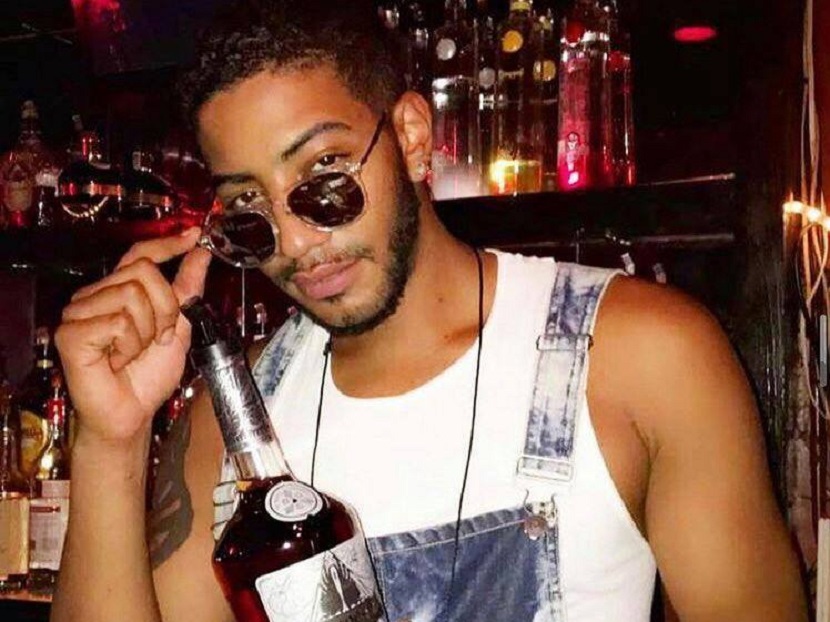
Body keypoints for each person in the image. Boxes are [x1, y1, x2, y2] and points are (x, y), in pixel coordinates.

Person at [51, 1, 807, 621]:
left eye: (324, 174)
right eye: (250, 205)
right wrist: (109, 442)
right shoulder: (236, 417)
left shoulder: (641, 357)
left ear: (411, 137)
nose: (296, 241)